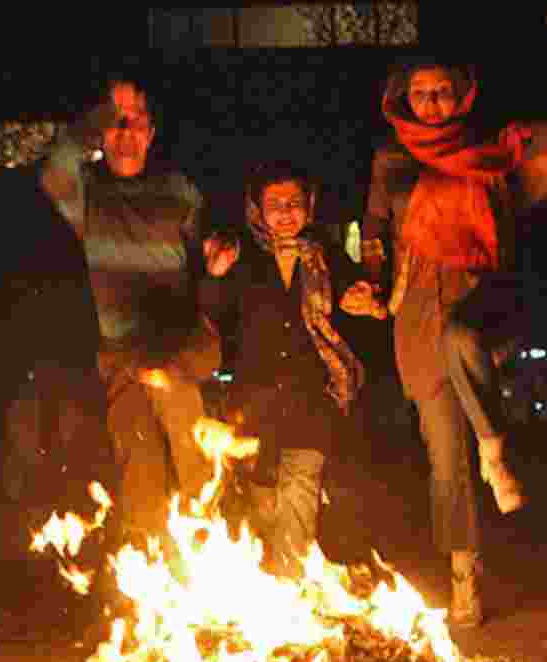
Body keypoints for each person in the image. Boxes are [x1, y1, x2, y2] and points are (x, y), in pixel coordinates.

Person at [358, 2, 547, 626]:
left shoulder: (492, 148)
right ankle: (465, 574)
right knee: (443, 456)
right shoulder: (390, 160)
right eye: (420, 94)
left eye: (442, 92)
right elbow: (375, 232)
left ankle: (495, 446)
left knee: (464, 339)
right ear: (402, 100)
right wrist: (371, 285)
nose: (432, 103)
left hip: (480, 286)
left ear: (462, 96)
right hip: (414, 304)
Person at [39, 77, 221, 550]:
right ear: (101, 132)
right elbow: (55, 168)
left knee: (194, 458)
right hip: (120, 352)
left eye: (136, 122)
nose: (126, 132)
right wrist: (103, 113)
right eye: (116, 124)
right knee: (138, 466)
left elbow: (206, 260)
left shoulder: (178, 190)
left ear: (152, 132)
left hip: (174, 346)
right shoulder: (89, 197)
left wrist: (219, 264)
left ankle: (210, 568)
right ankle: (154, 590)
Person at [199, 160, 378, 578]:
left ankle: (290, 586)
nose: (285, 212)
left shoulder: (326, 255)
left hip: (312, 396)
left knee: (301, 484)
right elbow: (213, 314)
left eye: (294, 202)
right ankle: (263, 580)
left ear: (309, 206)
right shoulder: (240, 257)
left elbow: (355, 297)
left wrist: (361, 299)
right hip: (254, 400)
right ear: (257, 210)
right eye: (274, 203)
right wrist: (214, 276)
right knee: (263, 496)